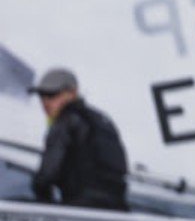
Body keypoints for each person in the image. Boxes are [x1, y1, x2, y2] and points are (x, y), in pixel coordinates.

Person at [28, 68, 129, 212]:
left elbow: (46, 176)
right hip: (116, 210)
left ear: (73, 93)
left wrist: (44, 202)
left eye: (52, 95)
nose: (45, 102)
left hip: (80, 209)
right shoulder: (103, 120)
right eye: (41, 96)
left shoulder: (65, 122)